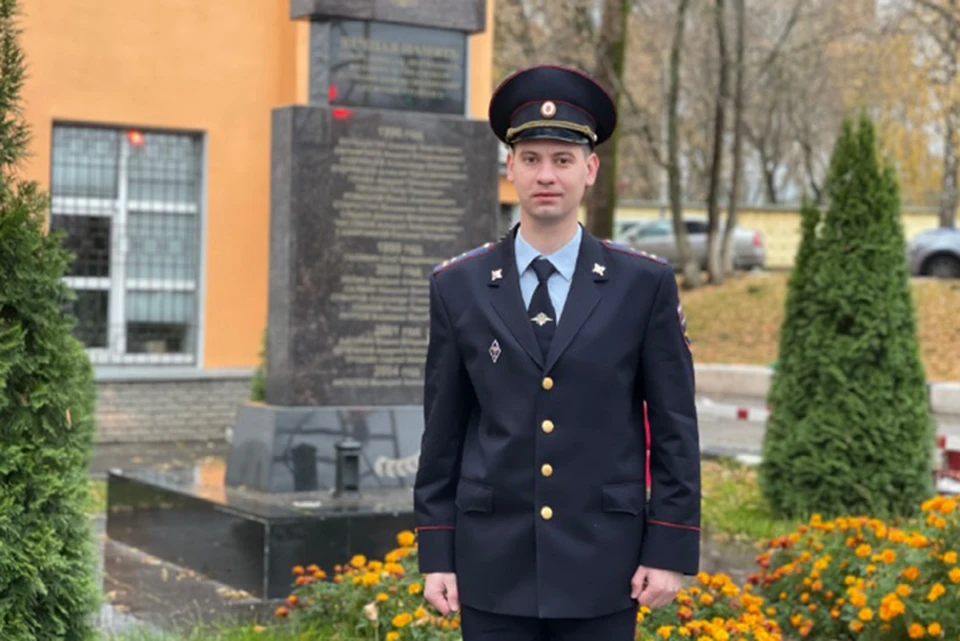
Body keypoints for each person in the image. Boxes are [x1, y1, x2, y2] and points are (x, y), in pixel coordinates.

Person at [413, 64, 701, 641]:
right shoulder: (459, 286)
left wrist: (668, 547)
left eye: (563, 160)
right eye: (531, 158)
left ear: (589, 170)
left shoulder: (642, 285)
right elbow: (443, 431)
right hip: (492, 563)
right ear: (510, 168)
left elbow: (675, 427)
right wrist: (437, 552)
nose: (546, 174)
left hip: (606, 563)